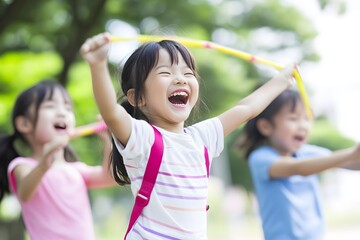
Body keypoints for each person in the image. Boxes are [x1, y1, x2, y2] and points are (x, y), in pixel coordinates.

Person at [80, 32, 295, 239]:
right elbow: (111, 112)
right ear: (137, 98)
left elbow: (247, 108)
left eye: (188, 73)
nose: (180, 80)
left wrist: (282, 81)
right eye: (165, 73)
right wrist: (98, 65)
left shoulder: (202, 138)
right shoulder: (143, 138)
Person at [0, 80, 117, 240]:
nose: (62, 112)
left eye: (68, 108)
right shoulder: (23, 166)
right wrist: (44, 164)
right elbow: (25, 193)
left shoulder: (76, 169)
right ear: (24, 124)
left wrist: (109, 140)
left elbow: (109, 177)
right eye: (50, 106)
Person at [237, 89, 360, 240]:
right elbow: (297, 168)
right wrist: (352, 153)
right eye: (294, 118)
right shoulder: (260, 158)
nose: (303, 126)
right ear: (266, 127)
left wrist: (354, 156)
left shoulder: (308, 153)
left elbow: (351, 162)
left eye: (306, 118)